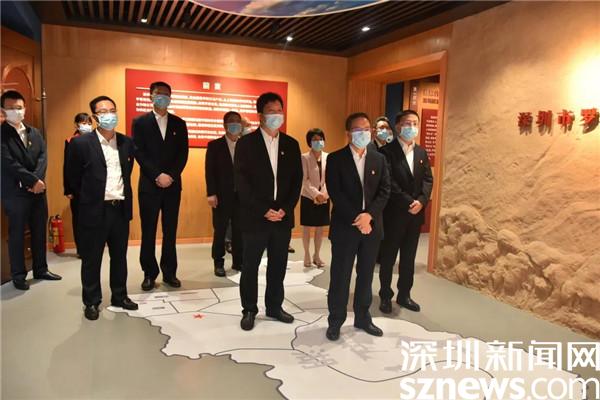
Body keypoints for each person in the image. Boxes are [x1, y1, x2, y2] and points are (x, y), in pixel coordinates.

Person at [65, 95, 138, 320]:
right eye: (103, 111)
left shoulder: (126, 142)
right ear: (95, 117)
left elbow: (127, 173)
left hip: (119, 208)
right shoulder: (80, 144)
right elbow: (72, 178)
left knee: (119, 257)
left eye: (112, 110)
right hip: (94, 209)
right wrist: (87, 200)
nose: (109, 115)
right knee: (92, 258)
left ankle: (119, 296)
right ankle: (91, 301)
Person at [234, 92, 302, 331]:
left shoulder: (291, 144)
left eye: (279, 111)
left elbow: (296, 181)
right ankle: (249, 309)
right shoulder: (246, 144)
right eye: (271, 111)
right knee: (250, 266)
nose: (277, 115)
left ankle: (274, 306)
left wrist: (284, 209)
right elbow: (242, 183)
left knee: (278, 265)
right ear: (260, 115)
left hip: (282, 218)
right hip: (255, 217)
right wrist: (264, 210)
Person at [325, 112, 390, 341]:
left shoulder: (379, 159)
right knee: (340, 276)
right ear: (348, 133)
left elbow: (384, 191)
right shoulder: (335, 159)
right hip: (345, 227)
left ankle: (363, 317)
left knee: (366, 275)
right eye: (358, 129)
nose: (363, 133)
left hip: (371, 228)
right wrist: (358, 218)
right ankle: (335, 321)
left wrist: (369, 216)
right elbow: (336, 193)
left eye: (367, 129)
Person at [1, 90, 62, 290]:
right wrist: (32, 181)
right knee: (17, 233)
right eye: (11, 108)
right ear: (3, 110)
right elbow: (8, 163)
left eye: (19, 107)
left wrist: (37, 180)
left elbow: (43, 157)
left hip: (38, 192)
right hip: (15, 193)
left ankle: (41, 269)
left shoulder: (34, 132)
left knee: (39, 230)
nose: (16, 111)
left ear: (25, 108)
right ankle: (18, 275)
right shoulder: (2, 134)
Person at [132, 81, 189, 291]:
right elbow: (138, 152)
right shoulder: (140, 122)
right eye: (158, 93)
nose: (163, 97)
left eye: (166, 94)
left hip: (172, 186)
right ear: (150, 96)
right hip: (149, 185)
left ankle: (169, 272)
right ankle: (149, 273)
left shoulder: (179, 123)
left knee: (170, 231)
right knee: (148, 231)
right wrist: (157, 175)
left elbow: (183, 153)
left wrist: (170, 176)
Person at [378, 110, 433, 314]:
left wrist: (422, 201)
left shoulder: (421, 153)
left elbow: (428, 179)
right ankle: (385, 295)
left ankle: (404, 294)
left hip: (415, 215)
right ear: (398, 126)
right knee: (388, 258)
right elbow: (388, 182)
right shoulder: (387, 152)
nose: (412, 127)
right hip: (394, 214)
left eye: (415, 123)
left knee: (409, 258)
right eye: (407, 123)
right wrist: (409, 202)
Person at [206, 111, 244, 277]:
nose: (235, 124)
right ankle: (218, 262)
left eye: (238, 121)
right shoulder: (215, 145)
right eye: (231, 121)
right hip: (221, 195)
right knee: (220, 230)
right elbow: (209, 171)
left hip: (241, 196)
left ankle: (238, 261)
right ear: (225, 125)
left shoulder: (245, 145)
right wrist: (211, 193)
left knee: (239, 230)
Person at [64, 112, 94, 257]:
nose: (86, 126)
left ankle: (93, 247)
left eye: (89, 123)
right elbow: (67, 166)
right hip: (77, 187)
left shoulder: (96, 139)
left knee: (93, 218)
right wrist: (68, 189)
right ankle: (81, 249)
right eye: (83, 123)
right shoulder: (71, 141)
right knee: (79, 219)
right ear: (76, 125)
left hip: (93, 186)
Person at [300, 128, 329, 268]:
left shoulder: (328, 157)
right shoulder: (304, 157)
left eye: (320, 139)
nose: (318, 142)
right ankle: (306, 253)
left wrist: (324, 194)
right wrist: (316, 194)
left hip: (324, 196)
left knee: (320, 228)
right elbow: (304, 180)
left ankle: (316, 255)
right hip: (308, 196)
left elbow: (330, 179)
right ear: (309, 142)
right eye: (315, 139)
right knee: (307, 227)